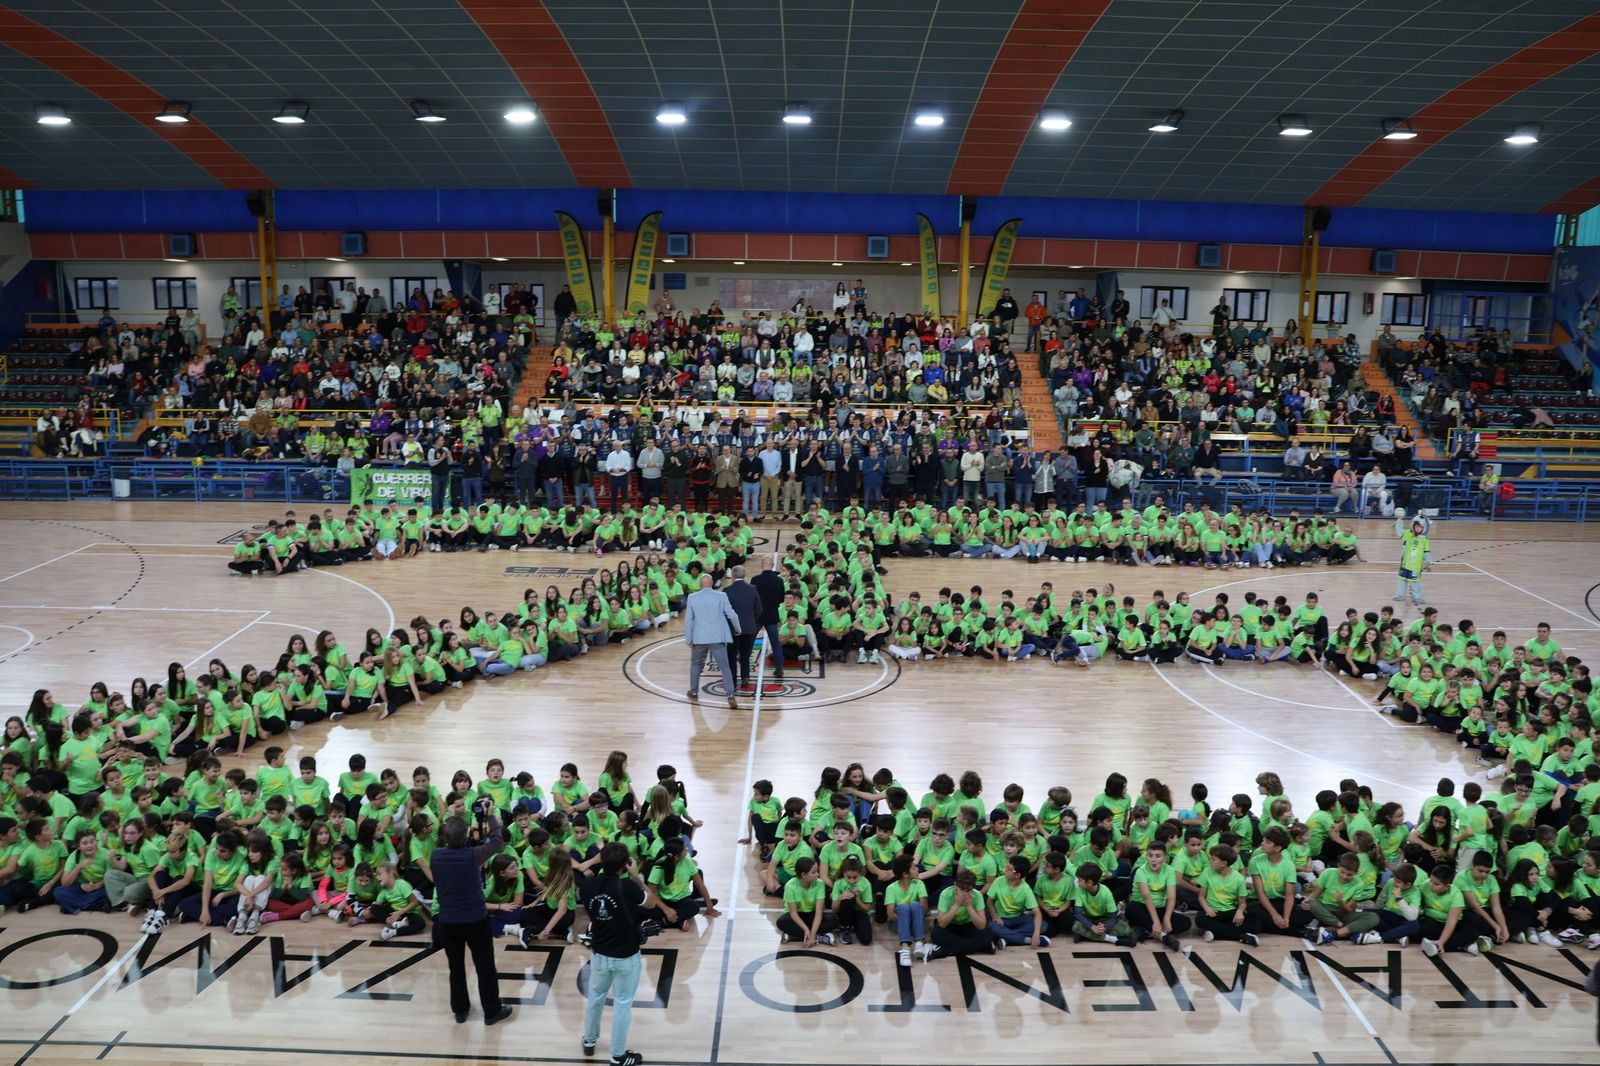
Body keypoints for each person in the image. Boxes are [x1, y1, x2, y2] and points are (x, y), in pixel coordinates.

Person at [430, 813, 513, 1026]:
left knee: (455, 967)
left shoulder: (435, 856)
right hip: (475, 920)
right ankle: (491, 1012)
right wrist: (491, 816)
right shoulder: (473, 855)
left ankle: (460, 1010)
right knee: (485, 966)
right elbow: (498, 841)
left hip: (447, 922)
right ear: (467, 833)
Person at [579, 842, 648, 1066]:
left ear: (601, 860)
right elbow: (652, 902)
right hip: (626, 955)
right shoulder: (628, 887)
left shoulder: (587, 887)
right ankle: (618, 1055)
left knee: (595, 997)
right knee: (622, 1003)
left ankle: (589, 1041)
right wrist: (637, 878)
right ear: (625, 864)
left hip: (599, 952)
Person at [684, 574, 739, 708]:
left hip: (699, 638)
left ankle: (694, 691)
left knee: (696, 665)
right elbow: (731, 614)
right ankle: (730, 695)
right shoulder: (721, 596)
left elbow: (688, 620)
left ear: (700, 584)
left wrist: (689, 638)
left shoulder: (692, 598)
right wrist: (737, 629)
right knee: (725, 667)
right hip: (717, 638)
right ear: (713, 583)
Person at [724, 565, 763, 693]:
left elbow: (724, 611)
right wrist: (751, 620)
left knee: (732, 656)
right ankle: (745, 677)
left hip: (732, 630)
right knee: (745, 655)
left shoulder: (727, 590)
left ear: (733, 575)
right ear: (744, 575)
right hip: (749, 628)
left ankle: (733, 683)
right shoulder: (753, 589)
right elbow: (759, 609)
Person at [751, 556, 786, 680]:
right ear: (772, 565)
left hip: (758, 615)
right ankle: (780, 669)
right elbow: (781, 599)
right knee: (775, 643)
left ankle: (744, 662)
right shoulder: (779, 581)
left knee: (750, 640)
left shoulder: (755, 580)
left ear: (761, 565)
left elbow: (752, 599)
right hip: (772, 614)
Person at [1394, 515, 1431, 606]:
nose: (1418, 528)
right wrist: (1399, 520)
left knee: (1415, 582)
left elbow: (1426, 552)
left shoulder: (1424, 540)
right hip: (1405, 564)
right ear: (1413, 526)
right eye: (1416, 526)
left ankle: (1417, 597)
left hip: (1416, 566)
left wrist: (1428, 562)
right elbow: (1399, 532)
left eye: (1420, 527)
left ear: (1424, 528)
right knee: (1402, 580)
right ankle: (1400, 595)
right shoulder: (1408, 534)